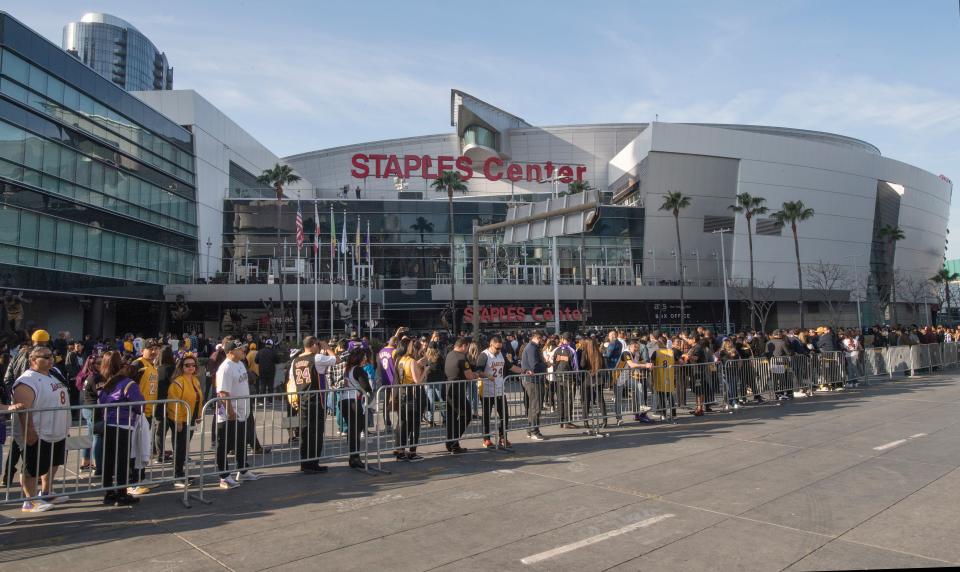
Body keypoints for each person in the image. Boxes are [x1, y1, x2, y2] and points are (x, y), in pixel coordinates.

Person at [11, 346, 72, 512]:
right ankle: (29, 501)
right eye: (44, 357)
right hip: (39, 431)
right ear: (32, 360)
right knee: (32, 467)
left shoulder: (54, 374)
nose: (49, 359)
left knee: (53, 462)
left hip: (57, 430)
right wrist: (29, 431)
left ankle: (46, 492)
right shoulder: (27, 380)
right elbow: (24, 410)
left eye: (50, 355)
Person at [96, 351, 144, 506]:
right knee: (122, 459)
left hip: (108, 423)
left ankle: (109, 492)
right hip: (123, 423)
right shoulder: (128, 383)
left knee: (109, 459)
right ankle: (122, 493)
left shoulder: (104, 383)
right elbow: (139, 405)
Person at [289, 336, 339, 474]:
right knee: (316, 432)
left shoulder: (295, 361)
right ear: (313, 345)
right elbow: (337, 360)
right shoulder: (316, 358)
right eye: (317, 344)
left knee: (305, 433)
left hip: (303, 398)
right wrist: (327, 348)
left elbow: (292, 380)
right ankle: (313, 463)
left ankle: (305, 463)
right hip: (316, 399)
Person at [215, 340, 261, 488]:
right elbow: (223, 392)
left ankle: (242, 469)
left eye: (242, 348)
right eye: (239, 349)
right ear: (230, 352)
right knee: (225, 444)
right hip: (230, 413)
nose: (243, 351)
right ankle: (224, 476)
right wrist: (230, 411)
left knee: (242, 441)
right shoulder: (225, 368)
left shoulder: (241, 364)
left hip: (243, 411)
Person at [476, 335, 520, 449]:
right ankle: (486, 439)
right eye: (497, 348)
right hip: (486, 390)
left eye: (500, 348)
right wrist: (487, 375)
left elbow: (510, 366)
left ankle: (502, 438)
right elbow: (478, 371)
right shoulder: (484, 355)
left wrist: (524, 370)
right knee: (486, 416)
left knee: (504, 415)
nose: (499, 350)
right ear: (491, 345)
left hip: (500, 390)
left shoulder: (501, 354)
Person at [166, 355, 203, 488]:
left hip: (191, 417)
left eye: (193, 365)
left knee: (183, 446)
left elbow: (199, 399)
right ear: (181, 367)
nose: (191, 367)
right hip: (179, 418)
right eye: (187, 365)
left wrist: (198, 415)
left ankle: (181, 473)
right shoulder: (178, 382)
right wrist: (178, 421)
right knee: (179, 447)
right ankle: (177, 475)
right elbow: (174, 403)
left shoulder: (195, 380)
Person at [340, 348, 372, 469]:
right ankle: (355, 458)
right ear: (360, 358)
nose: (365, 360)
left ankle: (353, 457)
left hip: (345, 400)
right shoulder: (358, 370)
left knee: (352, 431)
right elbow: (366, 387)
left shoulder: (348, 369)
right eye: (364, 357)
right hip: (354, 402)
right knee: (355, 431)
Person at [394, 338, 425, 461]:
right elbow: (417, 381)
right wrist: (425, 370)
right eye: (411, 345)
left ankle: (401, 451)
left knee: (404, 423)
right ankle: (412, 452)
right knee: (415, 424)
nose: (413, 347)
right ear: (407, 347)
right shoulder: (411, 361)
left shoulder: (399, 359)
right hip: (413, 394)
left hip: (403, 393)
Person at [443, 337, 474, 454]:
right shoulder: (462, 358)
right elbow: (469, 376)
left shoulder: (449, 354)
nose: (467, 350)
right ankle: (454, 442)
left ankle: (450, 443)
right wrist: (476, 374)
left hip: (447, 390)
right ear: (464, 346)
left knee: (451, 418)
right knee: (466, 415)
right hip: (457, 391)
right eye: (467, 347)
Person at [520, 331, 547, 440]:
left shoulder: (531, 347)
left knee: (533, 406)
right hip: (533, 381)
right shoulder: (532, 348)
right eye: (542, 339)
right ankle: (534, 431)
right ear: (538, 338)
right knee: (535, 406)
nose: (543, 342)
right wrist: (545, 365)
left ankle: (531, 430)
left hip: (531, 380)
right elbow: (534, 366)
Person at [552, 333, 579, 429]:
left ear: (562, 339)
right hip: (569, 378)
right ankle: (567, 421)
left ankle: (561, 420)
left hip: (559, 377)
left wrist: (556, 373)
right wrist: (576, 378)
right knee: (569, 400)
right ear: (570, 340)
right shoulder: (571, 350)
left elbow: (554, 364)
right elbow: (575, 366)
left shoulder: (557, 350)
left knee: (560, 399)